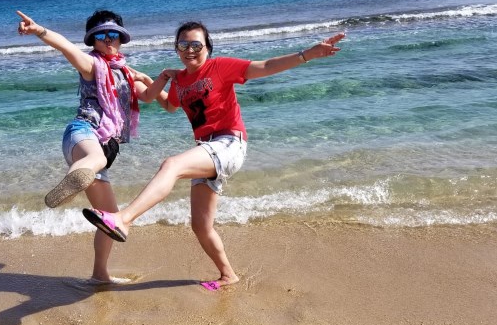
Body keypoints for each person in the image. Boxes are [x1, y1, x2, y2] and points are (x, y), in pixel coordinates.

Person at [82, 21, 345, 290]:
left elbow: (265, 66)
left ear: (208, 48)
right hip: (206, 149)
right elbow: (170, 105)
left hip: (229, 143)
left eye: (196, 45)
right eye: (183, 45)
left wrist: (306, 55)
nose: (190, 50)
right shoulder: (181, 80)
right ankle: (228, 275)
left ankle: (124, 219)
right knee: (201, 225)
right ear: (177, 49)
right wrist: (152, 80)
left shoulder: (220, 67)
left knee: (172, 165)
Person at [16, 9, 166, 283]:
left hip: (102, 150)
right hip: (82, 134)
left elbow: (148, 97)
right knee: (96, 158)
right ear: (92, 40)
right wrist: (38, 30)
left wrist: (153, 78)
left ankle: (99, 275)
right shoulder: (91, 65)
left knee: (110, 218)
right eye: (101, 35)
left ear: (121, 38)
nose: (108, 40)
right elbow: (65, 46)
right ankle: (73, 179)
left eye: (113, 34)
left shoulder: (124, 73)